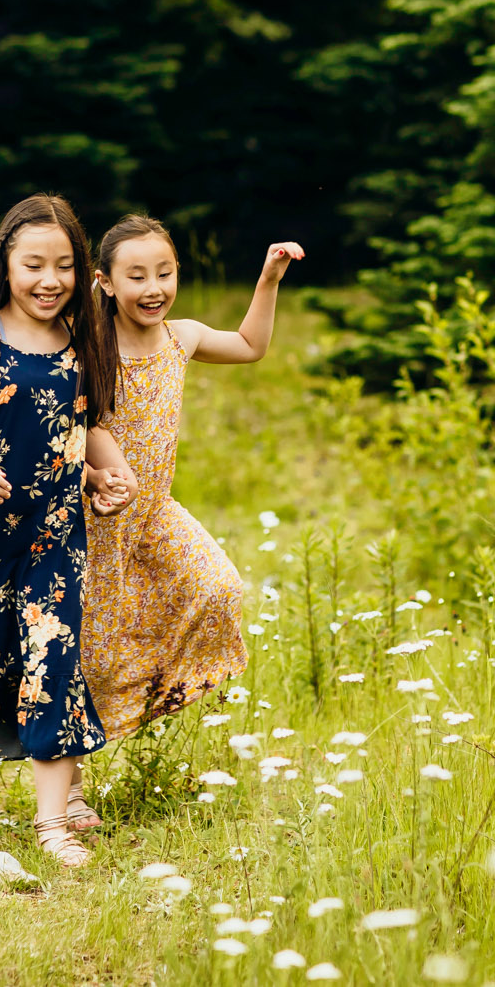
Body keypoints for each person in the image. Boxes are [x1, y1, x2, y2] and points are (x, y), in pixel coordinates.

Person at [0, 195, 138, 869]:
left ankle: (51, 824)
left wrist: (107, 476)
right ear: (5, 264)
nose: (49, 279)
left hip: (54, 537)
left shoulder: (84, 341)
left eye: (64, 265)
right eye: (33, 264)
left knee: (54, 662)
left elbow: (85, 424)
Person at [81, 216, 303, 743]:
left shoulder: (183, 336)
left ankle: (149, 701)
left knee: (219, 587)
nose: (154, 288)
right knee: (93, 654)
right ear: (105, 282)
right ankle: (69, 789)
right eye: (136, 276)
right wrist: (98, 473)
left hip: (155, 513)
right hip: (95, 521)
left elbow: (251, 345)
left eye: (165, 273)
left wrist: (268, 280)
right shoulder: (90, 344)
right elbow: (79, 417)